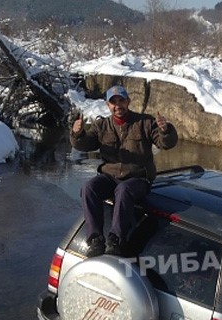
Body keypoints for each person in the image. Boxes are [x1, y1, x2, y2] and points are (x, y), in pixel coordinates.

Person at [70, 85, 178, 257]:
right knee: (89, 187)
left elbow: (166, 143)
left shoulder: (145, 122)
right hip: (109, 177)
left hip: (138, 179)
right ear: (108, 105)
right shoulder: (102, 126)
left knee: (124, 189)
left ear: (128, 101)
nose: (118, 105)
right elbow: (85, 144)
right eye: (113, 102)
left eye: (121, 100)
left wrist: (166, 130)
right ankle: (96, 240)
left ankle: (116, 240)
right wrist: (77, 134)